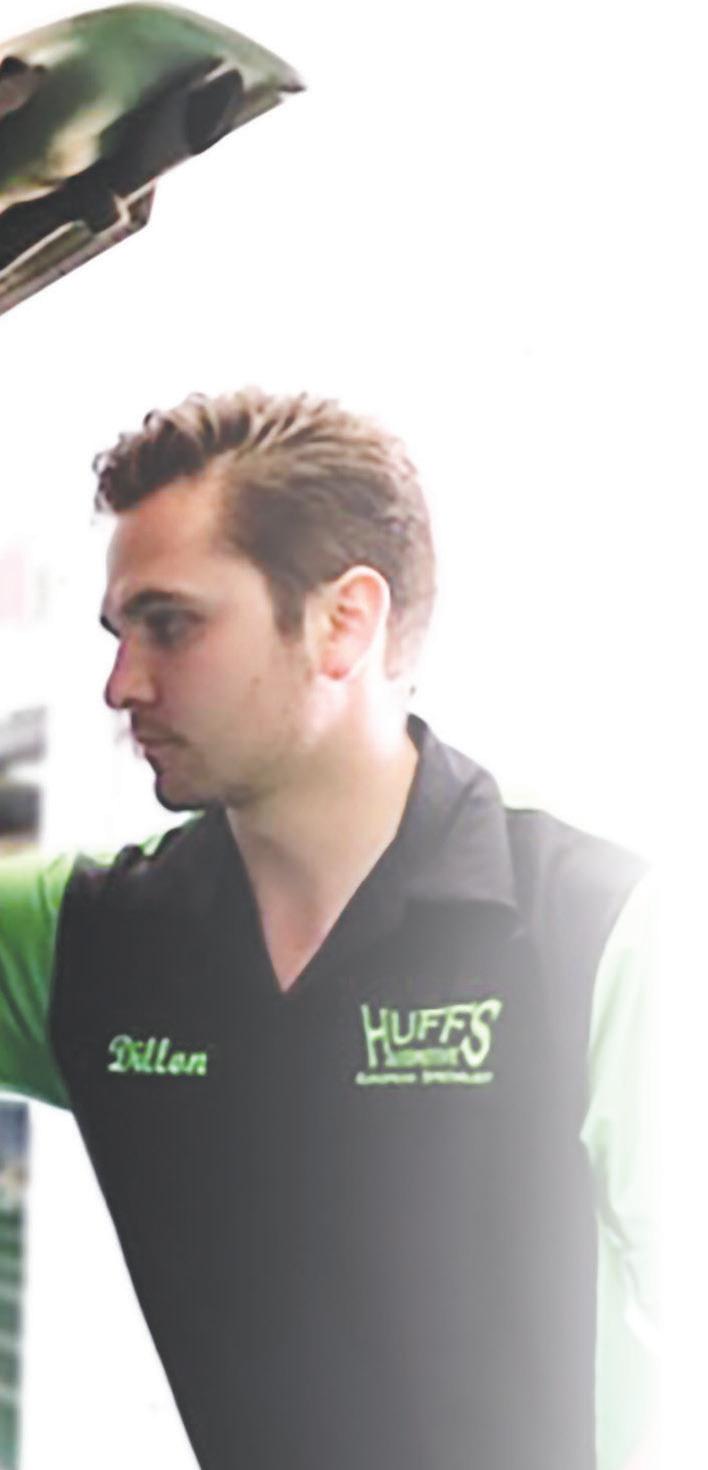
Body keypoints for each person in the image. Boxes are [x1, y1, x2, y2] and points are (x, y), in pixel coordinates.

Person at [0, 387, 656, 1470]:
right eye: (119, 633)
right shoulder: (89, 943)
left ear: (344, 621)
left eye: (172, 625)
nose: (122, 684)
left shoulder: (602, 936)